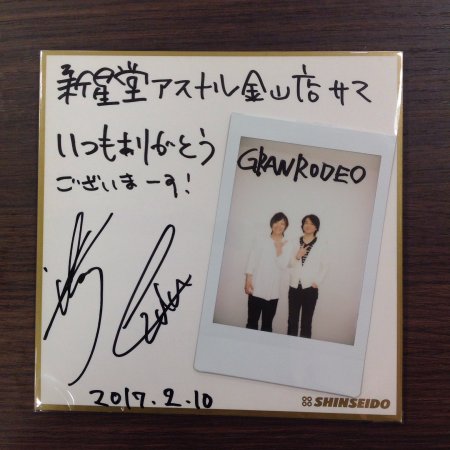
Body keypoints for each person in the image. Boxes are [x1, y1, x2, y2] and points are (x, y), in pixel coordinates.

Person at [244, 212, 291, 332]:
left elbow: (282, 266)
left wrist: (279, 249)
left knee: (267, 326)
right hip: (256, 287)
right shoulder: (260, 239)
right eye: (276, 222)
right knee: (251, 323)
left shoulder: (287, 244)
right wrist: (248, 279)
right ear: (272, 223)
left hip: (272, 292)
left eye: (282, 224)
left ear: (285, 226)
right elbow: (252, 259)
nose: (278, 226)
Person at [287, 214, 327, 338]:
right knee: (292, 322)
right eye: (306, 222)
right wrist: (297, 256)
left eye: (311, 223)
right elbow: (288, 264)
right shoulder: (294, 242)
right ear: (302, 225)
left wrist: (317, 282)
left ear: (316, 227)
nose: (308, 225)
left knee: (306, 323)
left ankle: (304, 348)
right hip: (294, 287)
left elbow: (325, 266)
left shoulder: (321, 244)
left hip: (310, 288)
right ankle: (289, 347)